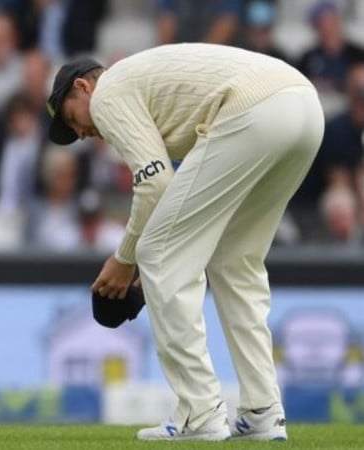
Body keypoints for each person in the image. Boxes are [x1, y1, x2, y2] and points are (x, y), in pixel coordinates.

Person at [46, 44, 324, 441]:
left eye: (72, 119)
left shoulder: (107, 91)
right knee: (234, 260)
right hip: (304, 107)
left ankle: (200, 412)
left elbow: (156, 184)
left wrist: (125, 259)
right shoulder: (146, 90)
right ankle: (263, 411)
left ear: (82, 87)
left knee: (157, 253)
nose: (80, 134)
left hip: (253, 110)